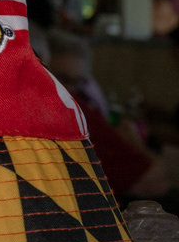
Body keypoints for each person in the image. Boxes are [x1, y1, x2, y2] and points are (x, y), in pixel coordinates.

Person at [46, 30, 167, 200]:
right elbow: (155, 183)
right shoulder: (63, 109)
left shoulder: (81, 107)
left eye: (77, 82)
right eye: (62, 79)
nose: (70, 90)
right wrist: (135, 143)